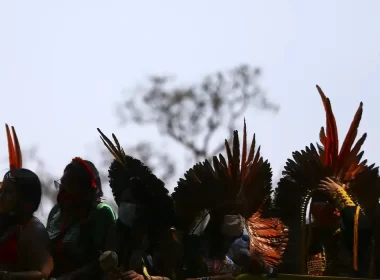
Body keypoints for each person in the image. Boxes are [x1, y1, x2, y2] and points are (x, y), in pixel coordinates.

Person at [274, 85, 379, 277]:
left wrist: (341, 196)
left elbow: (363, 233)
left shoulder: (351, 234)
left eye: (336, 202)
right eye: (326, 201)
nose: (334, 208)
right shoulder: (298, 235)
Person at [172, 120, 288, 280]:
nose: (235, 216)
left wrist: (258, 266)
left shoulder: (255, 244)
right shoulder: (196, 244)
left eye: (239, 211)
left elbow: (270, 271)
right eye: (229, 211)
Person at [98, 129, 181, 280]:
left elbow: (175, 277)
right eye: (123, 201)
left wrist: (146, 278)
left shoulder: (166, 234)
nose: (124, 206)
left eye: (130, 202)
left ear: (143, 206)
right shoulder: (116, 232)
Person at [46, 157, 116, 280]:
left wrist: (69, 277)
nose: (62, 191)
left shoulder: (101, 212)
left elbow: (103, 261)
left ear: (87, 190)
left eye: (69, 186)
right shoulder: (57, 211)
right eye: (61, 184)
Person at [0, 124, 53, 279]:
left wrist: (6, 276)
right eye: (1, 191)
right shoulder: (7, 223)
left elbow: (43, 274)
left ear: (25, 199)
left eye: (8, 192)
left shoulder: (34, 229)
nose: (1, 196)